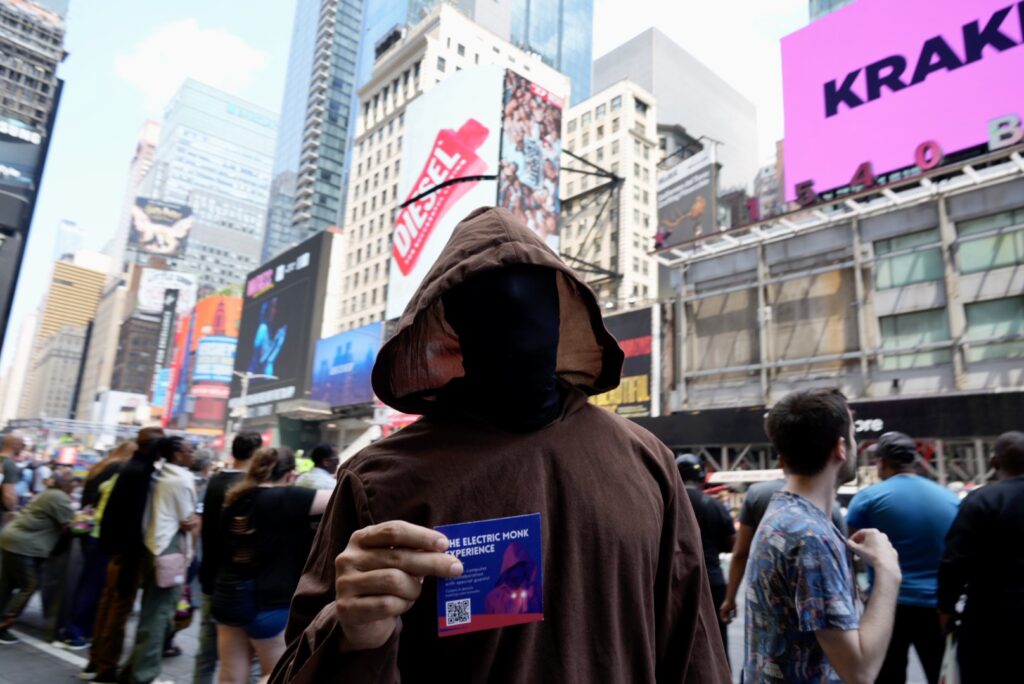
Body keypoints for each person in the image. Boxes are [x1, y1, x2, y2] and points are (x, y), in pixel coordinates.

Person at [269, 207, 729, 683]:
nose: (515, 327)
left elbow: (690, 637)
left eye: (530, 306)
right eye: (489, 310)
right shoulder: (380, 481)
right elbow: (298, 664)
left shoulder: (646, 459)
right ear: (454, 329)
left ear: (561, 314)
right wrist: (350, 634)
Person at [745, 388, 901, 684]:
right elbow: (859, 671)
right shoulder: (810, 537)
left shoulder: (784, 514)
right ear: (841, 448)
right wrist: (889, 571)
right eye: (854, 437)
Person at [845, 431, 959, 684]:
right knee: (941, 675)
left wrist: (859, 591)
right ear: (914, 461)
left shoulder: (868, 498)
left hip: (888, 607)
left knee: (887, 676)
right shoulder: (950, 499)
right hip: (936, 607)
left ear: (882, 463)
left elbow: (849, 551)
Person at [213, 447, 331, 684]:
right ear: (289, 475)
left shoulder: (236, 499)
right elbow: (341, 494)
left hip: (229, 596)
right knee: (276, 676)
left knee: (229, 675)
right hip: (270, 603)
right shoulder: (286, 497)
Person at [938, 430, 1024, 682]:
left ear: (994, 462)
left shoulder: (980, 500)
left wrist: (945, 608)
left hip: (990, 620)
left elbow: (954, 561)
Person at [83, 426, 165, 683]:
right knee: (117, 609)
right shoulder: (141, 473)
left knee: (109, 605)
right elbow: (134, 519)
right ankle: (106, 665)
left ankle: (97, 660)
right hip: (127, 553)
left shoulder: (131, 468)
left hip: (116, 550)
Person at [119, 436, 198, 684]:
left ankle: (132, 672)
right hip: (169, 548)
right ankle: (144, 676)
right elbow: (187, 520)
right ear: (177, 455)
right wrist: (192, 522)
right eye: (189, 450)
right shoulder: (182, 478)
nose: (193, 453)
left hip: (152, 547)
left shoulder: (157, 474)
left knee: (152, 615)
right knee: (159, 617)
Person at [719, 475, 846, 627]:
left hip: (767, 595)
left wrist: (730, 598)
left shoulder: (757, 494)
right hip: (815, 597)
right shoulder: (829, 503)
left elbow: (740, 552)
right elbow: (843, 562)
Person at [194, 431, 263, 684]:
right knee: (244, 656)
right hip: (238, 582)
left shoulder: (213, 481)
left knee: (207, 651)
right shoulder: (250, 489)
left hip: (211, 575)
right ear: (256, 454)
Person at [62, 441, 138, 649]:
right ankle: (76, 631)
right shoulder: (119, 470)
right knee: (94, 585)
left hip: (89, 530)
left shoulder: (102, 466)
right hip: (101, 534)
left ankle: (78, 629)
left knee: (89, 583)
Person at [0, 470, 75, 643]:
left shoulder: (48, 494)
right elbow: (71, 523)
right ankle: (4, 623)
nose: (74, 486)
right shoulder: (58, 496)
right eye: (72, 482)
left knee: (7, 584)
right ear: (65, 484)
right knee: (29, 586)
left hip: (12, 539)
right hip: (25, 545)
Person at [675, 453, 735, 663]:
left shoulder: (664, 504)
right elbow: (731, 544)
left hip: (675, 581)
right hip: (712, 580)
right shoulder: (714, 506)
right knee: (717, 641)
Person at [0, 434, 25, 526]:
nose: (23, 449)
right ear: (15, 445)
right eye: (22, 445)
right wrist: (13, 511)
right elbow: (8, 495)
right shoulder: (9, 464)